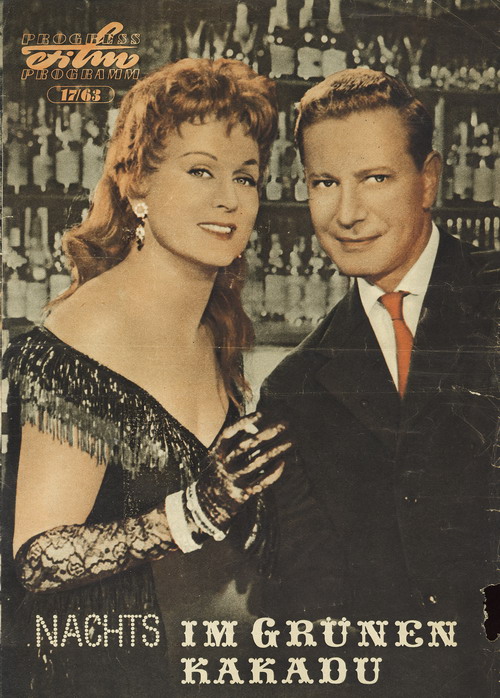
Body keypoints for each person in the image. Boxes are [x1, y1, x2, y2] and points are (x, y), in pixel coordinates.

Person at [2, 58, 291, 697]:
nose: (229, 198)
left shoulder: (215, 327)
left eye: (246, 176)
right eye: (200, 171)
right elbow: (37, 559)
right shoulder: (91, 332)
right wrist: (194, 512)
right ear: (137, 184)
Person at [255, 69, 498, 695]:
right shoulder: (293, 388)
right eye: (325, 183)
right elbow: (305, 602)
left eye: (376, 179)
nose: (348, 214)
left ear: (429, 179)